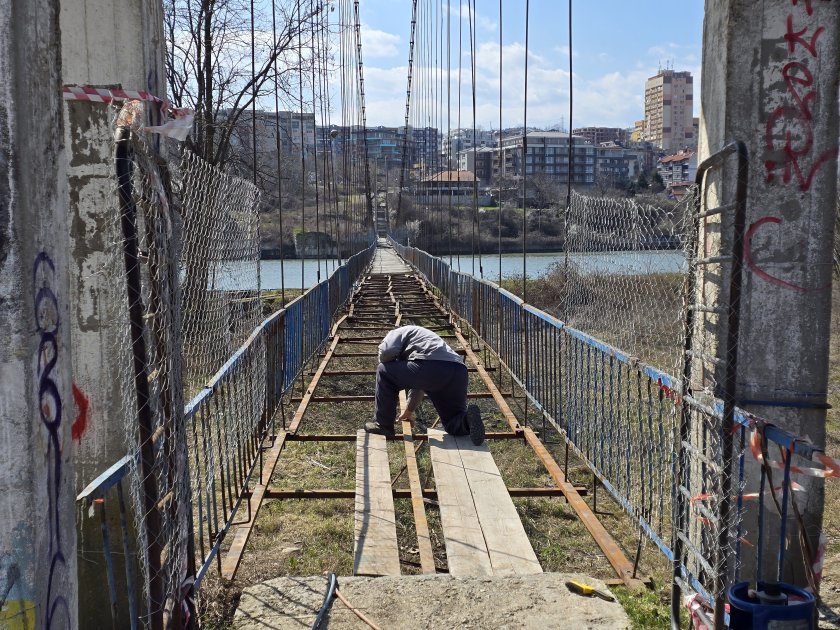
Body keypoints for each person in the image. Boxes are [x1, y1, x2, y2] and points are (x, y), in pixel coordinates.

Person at [364, 325, 485, 446]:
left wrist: (388, 364)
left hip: (431, 366)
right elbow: (418, 386)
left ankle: (383, 425)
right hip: (458, 371)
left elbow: (386, 352)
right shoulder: (423, 340)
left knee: (383, 371)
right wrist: (408, 411)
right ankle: (467, 420)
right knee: (452, 421)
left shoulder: (395, 333)